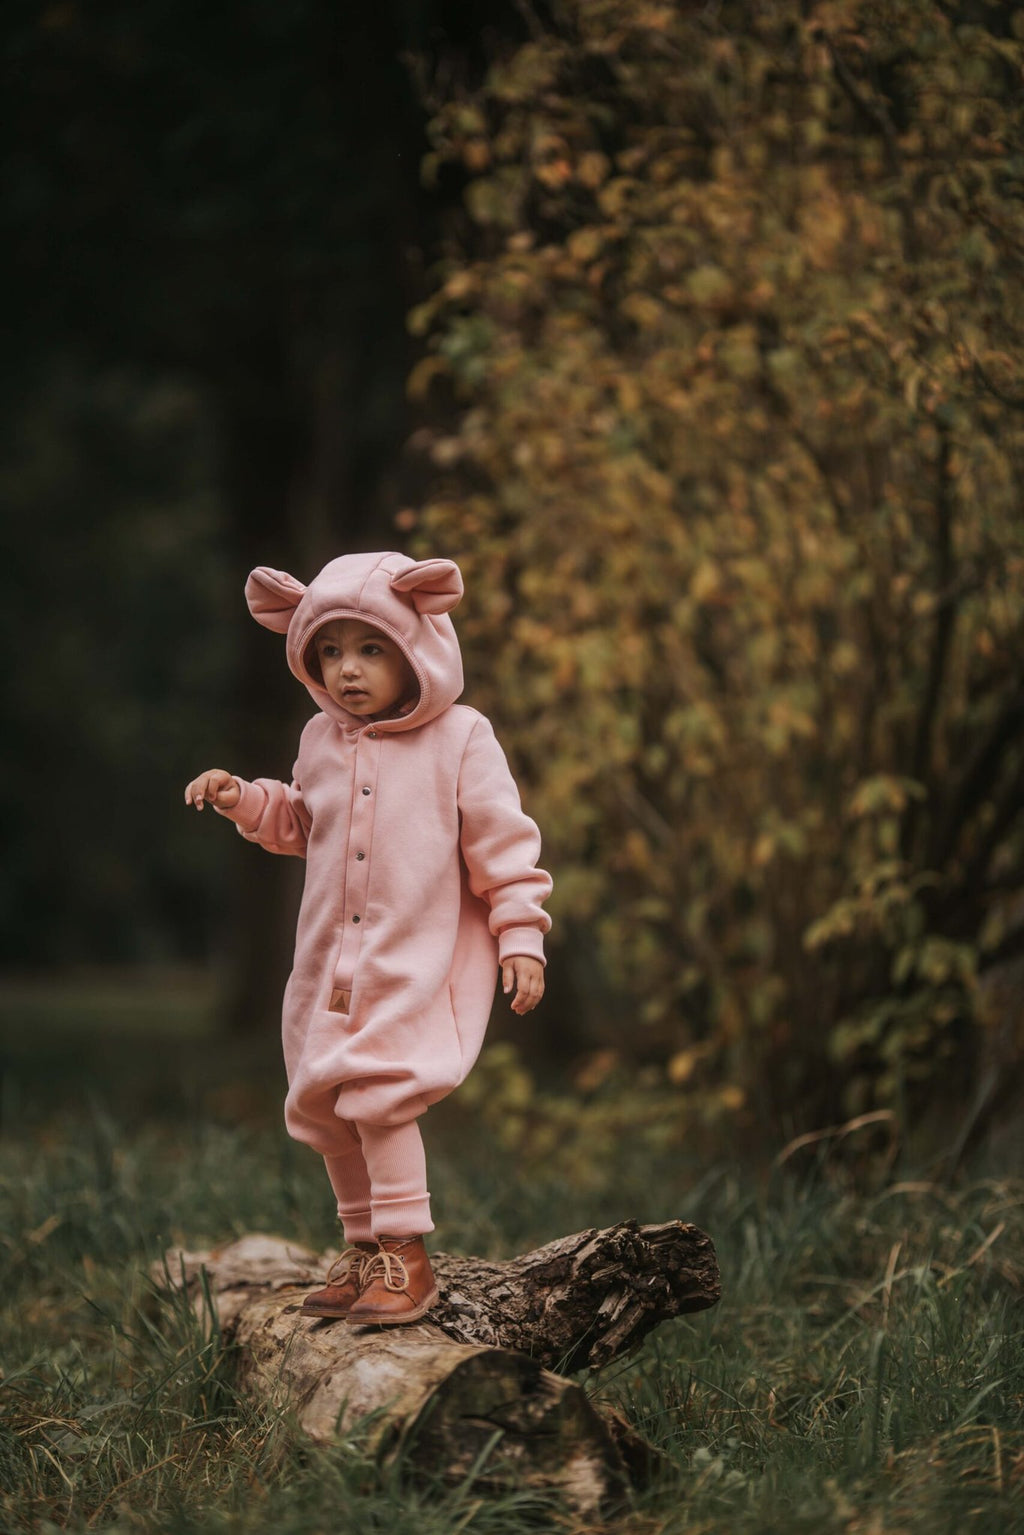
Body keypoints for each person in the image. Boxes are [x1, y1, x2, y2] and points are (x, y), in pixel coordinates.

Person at [184, 552, 551, 1325]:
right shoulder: (321, 737)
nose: (348, 670)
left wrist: (521, 934)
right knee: (327, 1105)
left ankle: (406, 1251)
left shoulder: (462, 737)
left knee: (381, 1097)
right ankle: (361, 1248)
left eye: (371, 648)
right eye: (330, 651)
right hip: (328, 962)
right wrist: (243, 799)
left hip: (409, 958)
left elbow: (503, 846)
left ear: (417, 642)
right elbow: (301, 823)